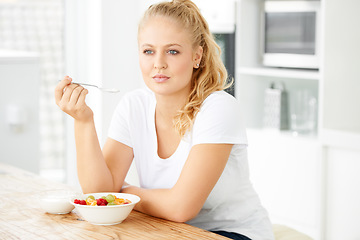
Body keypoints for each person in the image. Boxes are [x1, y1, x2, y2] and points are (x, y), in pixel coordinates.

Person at [54, 0, 275, 239]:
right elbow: (99, 194)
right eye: (148, 51)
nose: (158, 63)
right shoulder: (133, 106)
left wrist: (123, 194)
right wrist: (83, 121)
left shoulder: (218, 108)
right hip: (168, 230)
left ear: (196, 56)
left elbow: (181, 208)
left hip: (230, 232)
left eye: (172, 51)